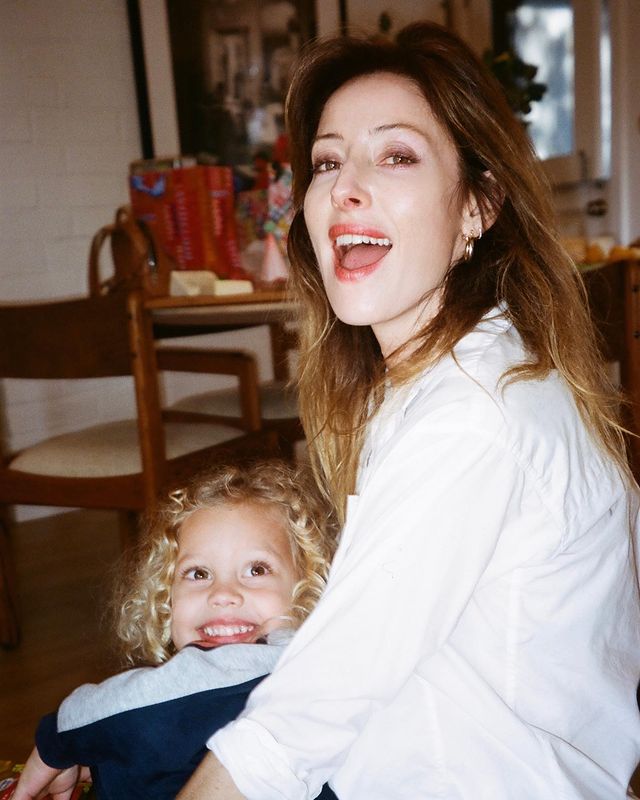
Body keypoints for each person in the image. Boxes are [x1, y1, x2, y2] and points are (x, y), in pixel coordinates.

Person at [176, 21, 640, 800]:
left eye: (396, 156)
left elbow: (308, 717)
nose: (345, 187)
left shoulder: (471, 417)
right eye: (328, 161)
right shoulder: (464, 373)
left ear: (477, 208)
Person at [13, 461, 338, 800]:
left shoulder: (271, 667)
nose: (223, 593)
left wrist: (57, 736)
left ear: (308, 585)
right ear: (165, 595)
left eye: (256, 569)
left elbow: (132, 703)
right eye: (198, 574)